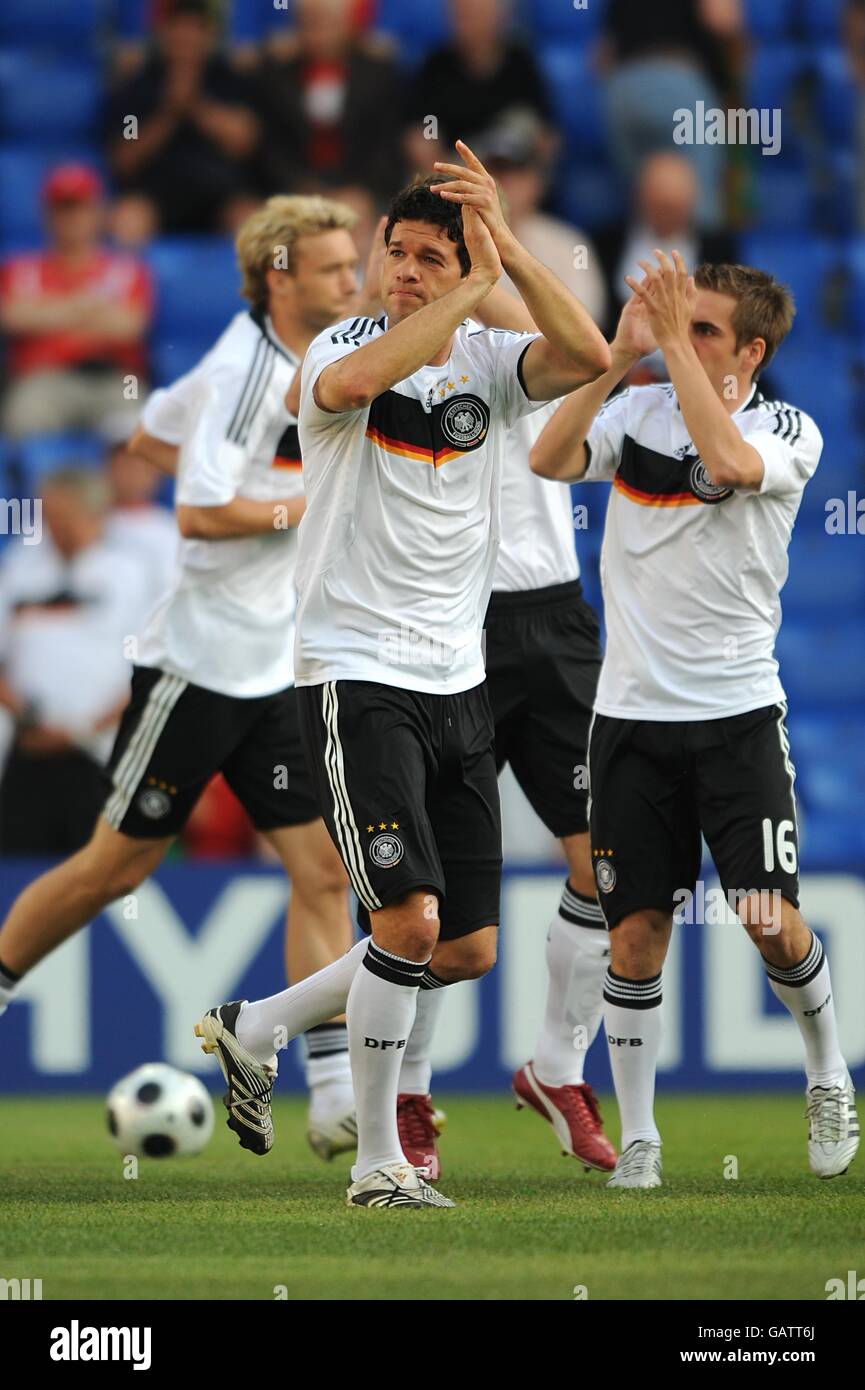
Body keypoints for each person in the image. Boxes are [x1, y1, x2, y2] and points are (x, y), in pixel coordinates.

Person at [193, 143, 611, 1211]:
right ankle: (378, 1163)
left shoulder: (484, 359)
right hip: (354, 674)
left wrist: (504, 249)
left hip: (456, 681)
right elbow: (355, 383)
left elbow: (590, 351)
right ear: (379, 263)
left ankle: (261, 1025)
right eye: (401, 254)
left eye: (434, 256)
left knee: (463, 946)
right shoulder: (341, 344)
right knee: (408, 925)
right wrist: (471, 287)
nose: (411, 272)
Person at [0, 195, 366, 1161]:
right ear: (281, 276)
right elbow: (197, 515)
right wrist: (305, 506)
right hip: (199, 668)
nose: (351, 280)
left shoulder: (267, 361)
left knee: (322, 868)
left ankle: (332, 1100)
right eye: (333, 268)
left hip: (275, 668)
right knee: (109, 869)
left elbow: (150, 439)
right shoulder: (250, 373)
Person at [530, 255, 859, 1187]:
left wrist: (666, 343)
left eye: (705, 328)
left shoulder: (785, 427)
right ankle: (640, 1136)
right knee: (632, 933)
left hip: (736, 715)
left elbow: (726, 463)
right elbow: (547, 458)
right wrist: (617, 354)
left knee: (766, 919)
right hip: (628, 717)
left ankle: (826, 1068)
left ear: (750, 351)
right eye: (686, 323)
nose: (688, 336)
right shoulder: (637, 413)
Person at [392, 285, 616, 1181]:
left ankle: (555, 1066)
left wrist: (505, 255)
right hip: (452, 623)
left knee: (611, 862)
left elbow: (587, 351)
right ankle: (407, 1090)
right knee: (433, 894)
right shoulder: (401, 353)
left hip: (554, 622)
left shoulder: (535, 343)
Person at [0, 469, 150, 854]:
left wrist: (84, 728)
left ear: (94, 514)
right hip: (29, 745)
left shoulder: (131, 575)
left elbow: (150, 669)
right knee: (19, 866)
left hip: (101, 750)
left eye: (64, 516)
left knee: (94, 869)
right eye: (49, 517)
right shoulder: (19, 566)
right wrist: (26, 716)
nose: (54, 527)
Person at [0, 165, 152, 438]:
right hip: (41, 378)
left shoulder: (125, 269)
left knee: (138, 421)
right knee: (26, 414)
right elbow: (12, 317)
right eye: (62, 208)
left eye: (80, 207)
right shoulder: (21, 269)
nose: (71, 218)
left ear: (97, 212)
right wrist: (89, 309)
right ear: (47, 215)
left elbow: (129, 326)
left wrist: (47, 311)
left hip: (117, 377)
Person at [106, 0, 260, 243]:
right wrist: (168, 113)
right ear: (161, 32)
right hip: (154, 195)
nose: (185, 38)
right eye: (177, 27)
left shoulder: (229, 79)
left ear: (209, 35)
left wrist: (195, 105)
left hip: (220, 194)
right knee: (127, 221)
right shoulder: (136, 87)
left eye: (194, 28)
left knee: (253, 222)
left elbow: (244, 141)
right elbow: (126, 156)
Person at [256, 0, 404, 207]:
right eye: (309, 23)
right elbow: (269, 147)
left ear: (347, 25)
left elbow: (387, 145)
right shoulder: (276, 76)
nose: (319, 34)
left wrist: (364, 192)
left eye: (327, 23)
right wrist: (301, 187)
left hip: (363, 194)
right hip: (292, 193)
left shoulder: (378, 74)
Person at [403, 0, 555, 177]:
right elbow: (422, 128)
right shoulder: (435, 67)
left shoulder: (520, 63)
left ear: (499, 17)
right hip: (455, 170)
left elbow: (545, 135)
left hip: (509, 173)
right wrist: (436, 156)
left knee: (521, 122)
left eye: (477, 15)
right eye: (461, 15)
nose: (467, 24)